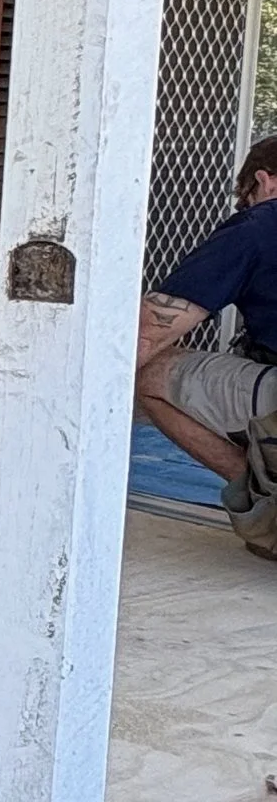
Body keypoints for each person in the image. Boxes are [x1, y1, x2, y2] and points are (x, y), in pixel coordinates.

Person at [134, 135, 277, 555]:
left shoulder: (261, 224)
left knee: (151, 375)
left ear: (264, 182)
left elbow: (150, 330)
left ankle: (268, 516)